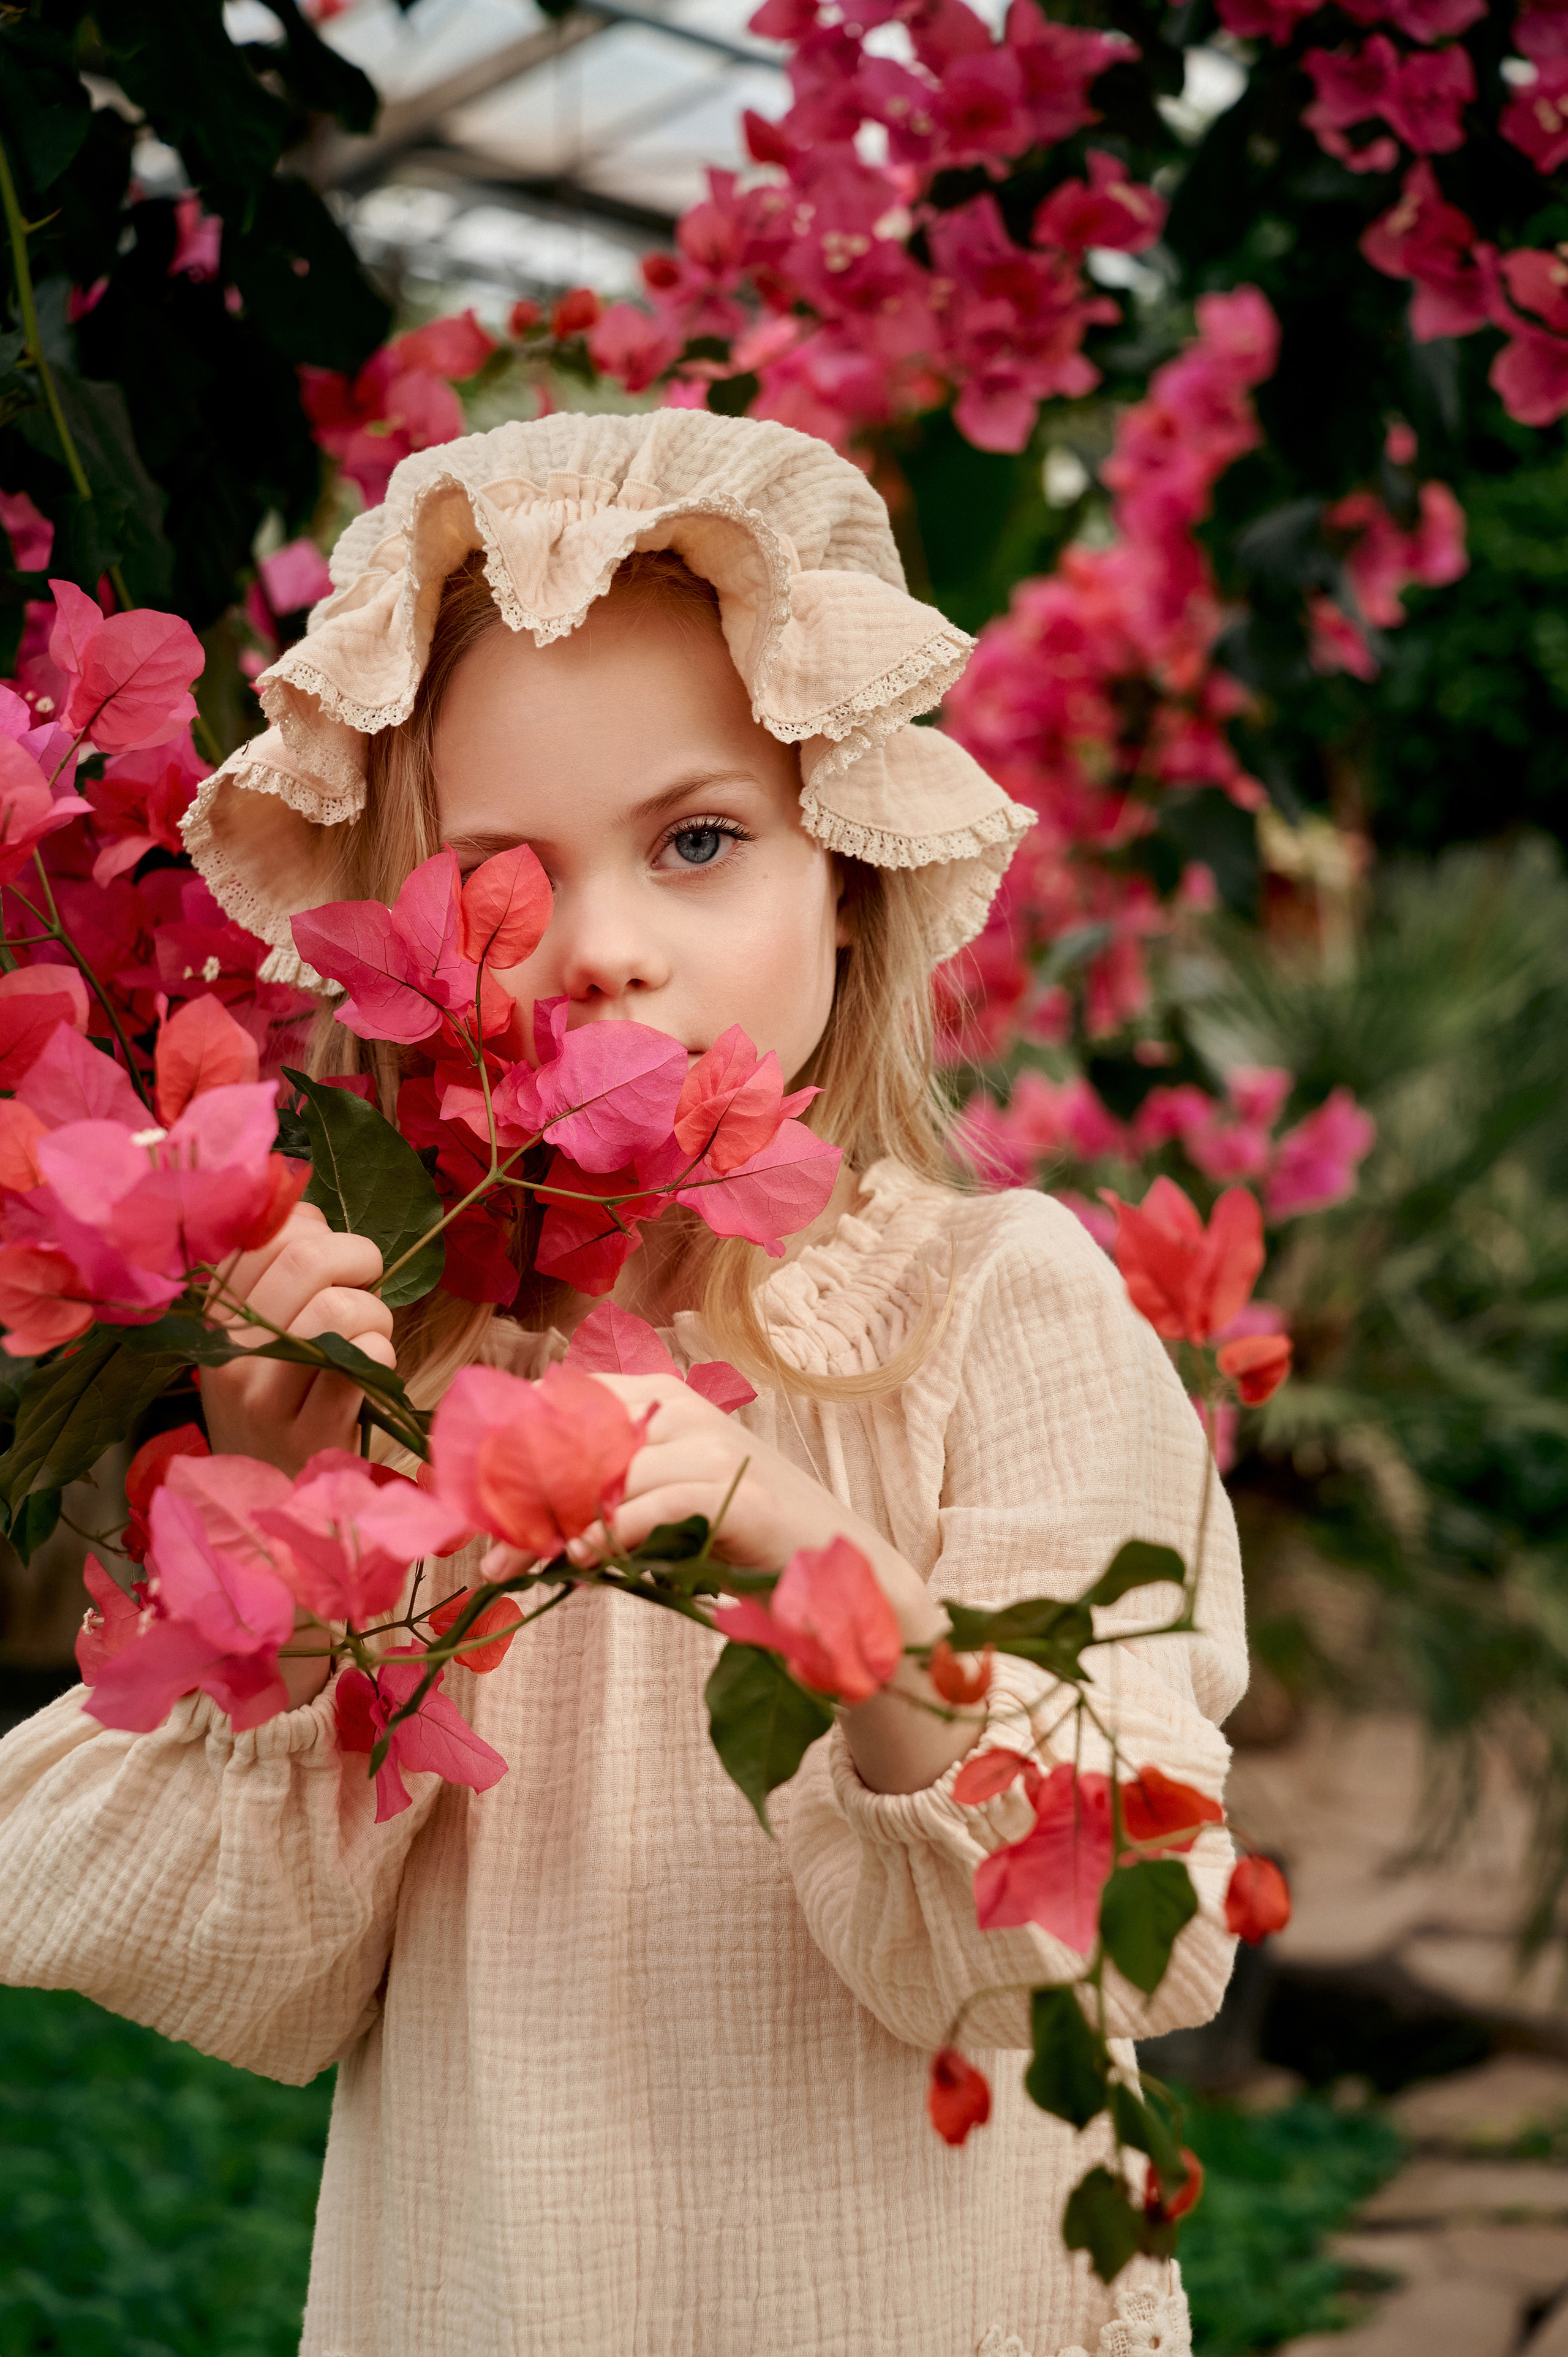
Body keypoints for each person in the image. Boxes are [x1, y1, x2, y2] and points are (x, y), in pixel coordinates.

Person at [0, 409, 1245, 2357]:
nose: (600, 949)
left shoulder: (993, 1310)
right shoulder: (415, 1360)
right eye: (501, 877)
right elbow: (259, 1969)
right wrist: (291, 1547)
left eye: (697, 842)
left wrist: (814, 1565)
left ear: (844, 872)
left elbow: (1102, 1921)